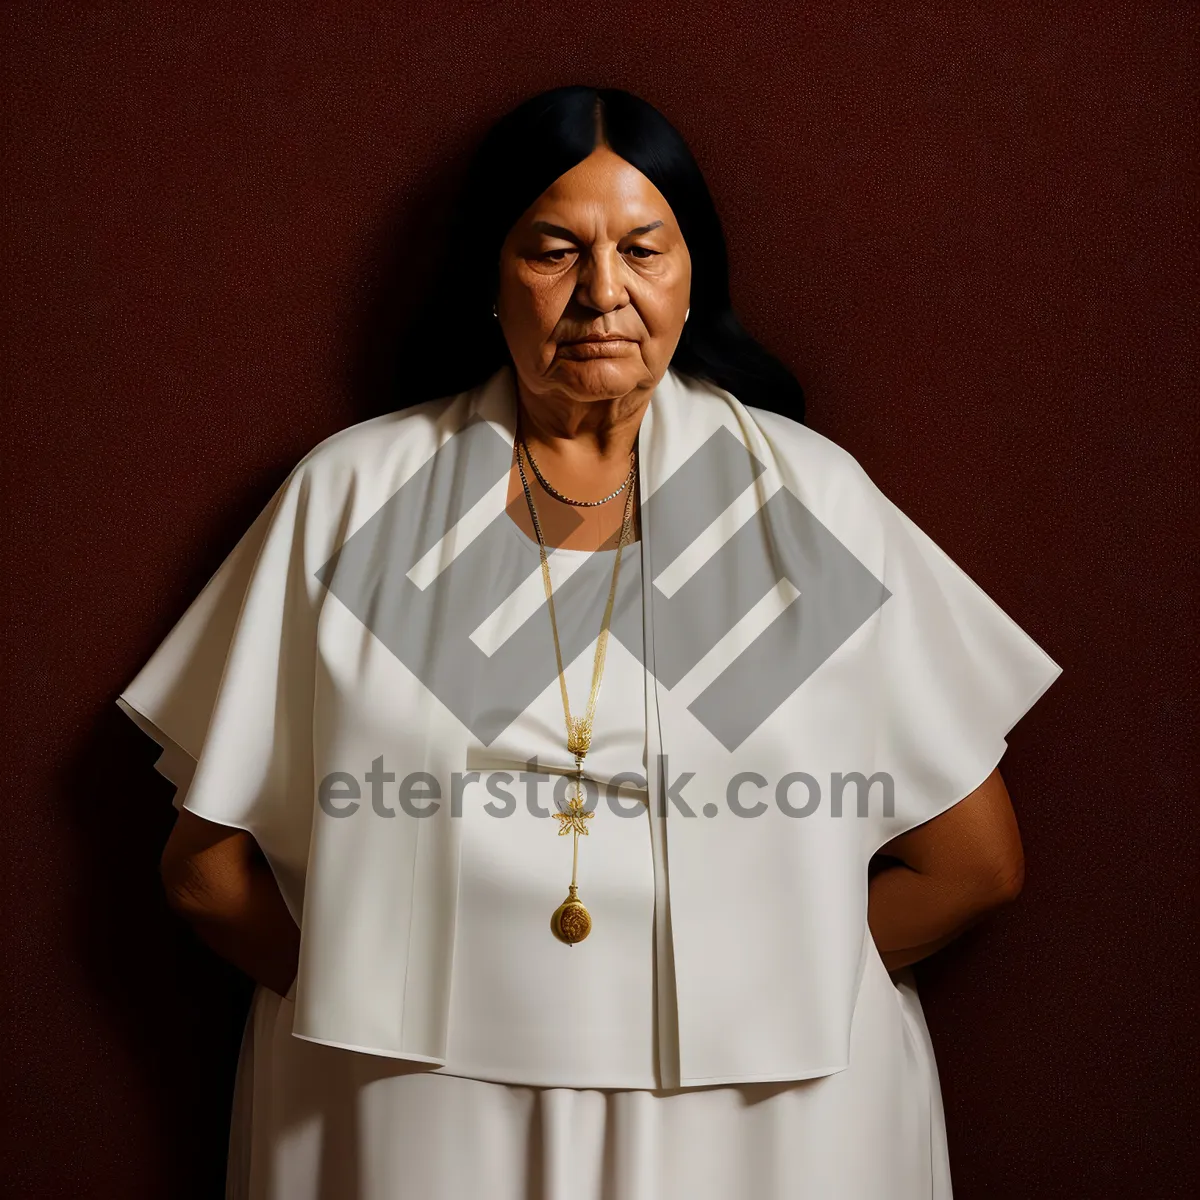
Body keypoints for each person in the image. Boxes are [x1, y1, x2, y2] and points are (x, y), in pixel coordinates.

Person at [117, 86, 1062, 1199]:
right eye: (556, 250)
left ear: (692, 270)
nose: (603, 293)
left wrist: (756, 992)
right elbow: (207, 872)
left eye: (644, 250)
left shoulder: (790, 507)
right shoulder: (363, 499)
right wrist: (377, 1013)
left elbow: (972, 866)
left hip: (761, 1123)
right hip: (418, 1112)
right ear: (489, 272)